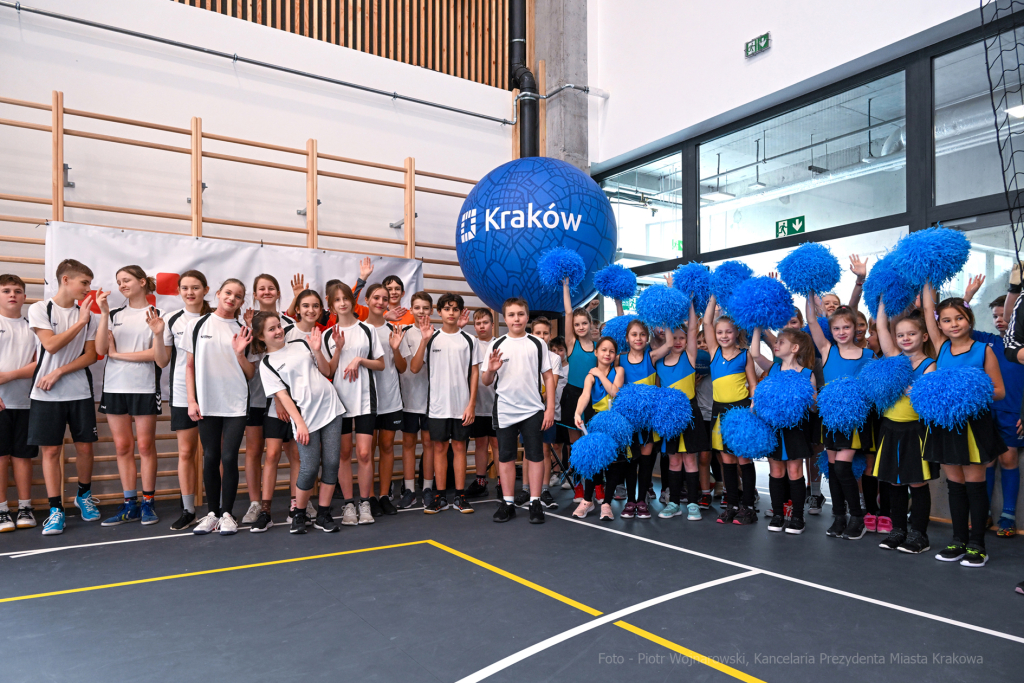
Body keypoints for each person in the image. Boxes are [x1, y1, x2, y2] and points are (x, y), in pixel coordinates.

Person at [922, 283, 1005, 568]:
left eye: (959, 317)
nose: (953, 324)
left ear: (969, 319)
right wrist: (927, 275)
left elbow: (999, 391)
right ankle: (957, 540)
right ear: (939, 326)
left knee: (975, 485)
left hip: (974, 426)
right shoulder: (941, 346)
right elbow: (928, 308)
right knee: (954, 485)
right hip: (946, 425)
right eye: (946, 320)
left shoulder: (984, 350)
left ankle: (978, 545)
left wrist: (966, 389)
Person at [252, 312, 345, 533]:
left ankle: (323, 514)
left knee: (332, 464)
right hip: (306, 417)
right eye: (271, 329)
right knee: (309, 468)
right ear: (261, 336)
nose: (278, 331)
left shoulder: (301, 345)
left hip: (331, 408)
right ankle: (299, 514)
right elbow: (283, 397)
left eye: (278, 326)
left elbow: (326, 370)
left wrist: (317, 349)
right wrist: (300, 423)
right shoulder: (267, 364)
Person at [27, 259, 101, 535]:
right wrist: (80, 322)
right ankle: (55, 509)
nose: (88, 289)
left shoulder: (89, 315)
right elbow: (51, 344)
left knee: (84, 447)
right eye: (84, 283)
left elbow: (91, 356)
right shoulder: (40, 308)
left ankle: (83, 495)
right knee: (51, 451)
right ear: (65, 280)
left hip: (78, 391)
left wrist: (59, 372)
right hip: (45, 394)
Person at [95, 266, 168, 527]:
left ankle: (148, 502)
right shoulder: (113, 314)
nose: (122, 285)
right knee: (123, 447)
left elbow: (160, 359)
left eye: (126, 280)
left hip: (144, 387)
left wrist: (119, 355)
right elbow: (101, 349)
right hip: (115, 387)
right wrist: (103, 315)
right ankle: (130, 505)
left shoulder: (159, 315)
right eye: (118, 282)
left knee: (146, 446)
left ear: (142, 281)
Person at [184, 278, 254, 536]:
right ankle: (212, 513)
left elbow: (250, 374)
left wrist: (239, 353)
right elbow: (189, 367)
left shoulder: (243, 328)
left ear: (241, 301)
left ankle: (227, 514)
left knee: (228, 457)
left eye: (237, 296)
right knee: (210, 457)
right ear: (217, 293)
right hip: (208, 403)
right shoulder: (197, 324)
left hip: (235, 403)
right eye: (228, 293)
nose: (231, 298)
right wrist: (192, 400)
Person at [483, 298, 556, 523]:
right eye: (512, 314)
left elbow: (548, 376)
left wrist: (550, 408)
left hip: (533, 409)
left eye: (521, 314)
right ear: (505, 318)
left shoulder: (537, 343)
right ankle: (507, 503)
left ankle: (535, 502)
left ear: (527, 317)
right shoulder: (497, 344)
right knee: (505, 457)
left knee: (535, 456)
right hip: (505, 409)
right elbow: (486, 380)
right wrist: (492, 370)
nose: (517, 318)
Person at [872, 303, 936, 553]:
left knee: (917, 483)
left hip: (914, 430)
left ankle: (919, 535)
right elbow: (880, 326)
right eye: (900, 335)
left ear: (924, 336)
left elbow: (927, 398)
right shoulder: (894, 359)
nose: (905, 338)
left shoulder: (929, 364)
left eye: (911, 333)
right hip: (890, 429)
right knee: (894, 483)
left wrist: (909, 390)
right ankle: (898, 530)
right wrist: (882, 300)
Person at [807, 299, 874, 540]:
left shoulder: (868, 355)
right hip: (831, 417)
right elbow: (812, 321)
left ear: (856, 328)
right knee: (834, 470)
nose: (841, 332)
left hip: (854, 419)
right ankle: (839, 517)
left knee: (844, 468)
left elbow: (872, 387)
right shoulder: (827, 350)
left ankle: (857, 517)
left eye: (846, 328)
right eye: (836, 329)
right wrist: (809, 291)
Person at [963, 280, 1023, 539]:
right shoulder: (987, 342)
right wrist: (967, 297)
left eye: (1005, 315)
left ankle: (1007, 516)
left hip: (1014, 413)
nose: (1001, 320)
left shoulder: (1020, 350)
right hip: (987, 412)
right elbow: (959, 326)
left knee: (1008, 460)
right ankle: (982, 512)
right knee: (986, 462)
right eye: (996, 316)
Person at [322, 282, 385, 526]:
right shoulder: (329, 334)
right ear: (332, 305)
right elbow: (328, 369)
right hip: (339, 402)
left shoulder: (367, 330)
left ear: (352, 300)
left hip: (365, 400)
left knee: (365, 453)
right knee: (344, 454)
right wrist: (338, 351)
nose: (342, 302)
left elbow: (380, 364)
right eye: (337, 300)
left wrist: (360, 359)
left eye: (346, 298)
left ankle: (365, 502)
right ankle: (349, 505)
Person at [410, 293, 477, 514]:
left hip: (461, 406)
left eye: (455, 309)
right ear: (439, 312)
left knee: (459, 448)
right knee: (438, 448)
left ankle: (459, 495)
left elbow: (474, 373)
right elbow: (415, 367)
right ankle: (439, 496)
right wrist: (424, 340)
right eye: (447, 308)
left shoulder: (469, 340)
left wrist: (471, 404)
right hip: (437, 406)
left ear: (460, 312)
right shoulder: (432, 338)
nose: (451, 312)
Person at [239, 274, 295, 526]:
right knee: (254, 451)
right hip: (257, 398)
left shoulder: (290, 324)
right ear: (255, 294)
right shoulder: (247, 325)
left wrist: (283, 398)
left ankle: (299, 499)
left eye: (271, 287)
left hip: (283, 400)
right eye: (261, 288)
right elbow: (249, 365)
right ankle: (255, 503)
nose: (266, 291)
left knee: (288, 453)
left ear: (278, 292)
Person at [751, 326, 816, 534]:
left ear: (795, 348)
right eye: (776, 342)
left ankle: (797, 517)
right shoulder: (772, 368)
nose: (776, 345)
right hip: (774, 428)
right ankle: (778, 514)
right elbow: (754, 354)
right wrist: (756, 326)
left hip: (796, 429)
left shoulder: (807, 374)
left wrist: (806, 400)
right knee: (776, 471)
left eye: (781, 342)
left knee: (795, 471)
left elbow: (813, 407)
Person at [704, 293, 759, 525]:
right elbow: (706, 322)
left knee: (743, 460)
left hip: (741, 411)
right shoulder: (714, 352)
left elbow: (753, 385)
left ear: (737, 332)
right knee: (726, 460)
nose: (724, 335)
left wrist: (752, 410)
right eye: (720, 332)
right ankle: (732, 504)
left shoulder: (745, 355)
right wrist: (714, 296)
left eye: (728, 331)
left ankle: (748, 506)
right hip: (719, 411)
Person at [162, 270, 210, 530]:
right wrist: (158, 334)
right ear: (179, 291)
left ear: (206, 289)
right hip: (182, 394)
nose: (190, 292)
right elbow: (162, 361)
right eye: (185, 288)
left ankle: (219, 509)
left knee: (216, 454)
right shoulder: (171, 319)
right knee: (186, 452)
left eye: (195, 287)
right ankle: (188, 509)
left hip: (215, 395)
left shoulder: (217, 318)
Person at [656, 302, 711, 521]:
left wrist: (688, 303)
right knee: (673, 462)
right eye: (675, 338)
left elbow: (692, 329)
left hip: (690, 413)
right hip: (669, 416)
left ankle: (694, 504)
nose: (679, 341)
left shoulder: (689, 357)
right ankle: (673, 503)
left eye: (682, 338)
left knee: (690, 460)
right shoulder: (659, 362)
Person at [275, 289, 323, 526]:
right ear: (298, 309)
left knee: (307, 458)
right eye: (305, 305)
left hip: (315, 407)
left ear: (321, 310)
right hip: (288, 404)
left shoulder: (324, 334)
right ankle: (293, 503)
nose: (310, 310)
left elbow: (326, 371)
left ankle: (303, 502)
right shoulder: (286, 333)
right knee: (289, 454)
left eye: (315, 306)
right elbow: (274, 368)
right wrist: (278, 401)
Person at [618, 319, 674, 519]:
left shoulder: (650, 357)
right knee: (631, 461)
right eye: (634, 334)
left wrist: (667, 315)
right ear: (627, 338)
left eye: (642, 334)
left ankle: (642, 500)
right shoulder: (619, 359)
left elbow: (668, 345)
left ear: (647, 337)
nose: (638, 338)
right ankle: (630, 500)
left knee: (646, 461)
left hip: (648, 421)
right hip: (628, 421)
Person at [363, 283, 407, 516]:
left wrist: (396, 349)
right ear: (367, 300)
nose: (380, 302)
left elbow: (402, 368)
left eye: (384, 298)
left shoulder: (394, 329)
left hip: (391, 399)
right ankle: (368, 496)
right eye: (376, 298)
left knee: (387, 446)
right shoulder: (360, 329)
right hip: (366, 401)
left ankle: (383, 496)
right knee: (366, 450)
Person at [0, 274, 38, 532]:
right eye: (5, 290)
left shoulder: (32, 327)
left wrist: (9, 376)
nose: (12, 294)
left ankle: (25, 507)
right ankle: (2, 510)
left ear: (24, 296)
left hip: (25, 403)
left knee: (23, 457)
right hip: (2, 404)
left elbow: (39, 364)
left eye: (17, 290)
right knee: (1, 457)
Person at [572, 336, 625, 519]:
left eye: (611, 351)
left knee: (612, 464)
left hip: (615, 422)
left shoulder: (618, 370)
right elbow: (585, 396)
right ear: (596, 352)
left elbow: (614, 392)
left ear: (615, 354)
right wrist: (577, 413)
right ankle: (587, 500)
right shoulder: (590, 375)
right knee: (593, 462)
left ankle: (607, 504)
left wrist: (600, 374)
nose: (607, 354)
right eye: (603, 350)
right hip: (596, 422)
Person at [516, 316, 561, 510]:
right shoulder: (525, 354)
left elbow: (552, 384)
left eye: (545, 333)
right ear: (531, 334)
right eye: (538, 333)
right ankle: (526, 489)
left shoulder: (555, 358)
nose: (541, 336)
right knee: (528, 451)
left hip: (544, 410)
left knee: (543, 450)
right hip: (526, 411)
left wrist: (539, 400)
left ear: (550, 335)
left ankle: (543, 489)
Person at [561, 278, 600, 503]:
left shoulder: (598, 348)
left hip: (592, 398)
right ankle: (577, 487)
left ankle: (596, 486)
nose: (580, 327)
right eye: (577, 325)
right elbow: (568, 313)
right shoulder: (570, 344)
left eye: (584, 323)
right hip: (572, 396)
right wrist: (566, 288)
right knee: (575, 447)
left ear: (590, 324)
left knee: (593, 445)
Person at [396, 292, 434, 509]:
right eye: (417, 308)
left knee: (429, 443)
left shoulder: (438, 334)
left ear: (432, 310)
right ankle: (409, 490)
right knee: (409, 444)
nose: (421, 312)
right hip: (409, 398)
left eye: (426, 308)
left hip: (432, 401)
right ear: (411, 309)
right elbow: (409, 367)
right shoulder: (405, 333)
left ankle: (427, 487)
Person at [467, 308, 498, 498]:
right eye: (478, 323)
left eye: (485, 322)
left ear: (492, 325)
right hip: (477, 403)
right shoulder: (471, 344)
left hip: (497, 404)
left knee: (497, 444)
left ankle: (503, 482)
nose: (481, 326)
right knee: (480, 444)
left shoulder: (500, 344)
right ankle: (480, 481)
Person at [547, 335, 570, 491]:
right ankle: (556, 473)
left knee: (570, 444)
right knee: (556, 444)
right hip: (554, 410)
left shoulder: (571, 367)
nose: (557, 353)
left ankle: (571, 474)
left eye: (560, 350)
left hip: (568, 409)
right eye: (553, 350)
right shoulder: (548, 369)